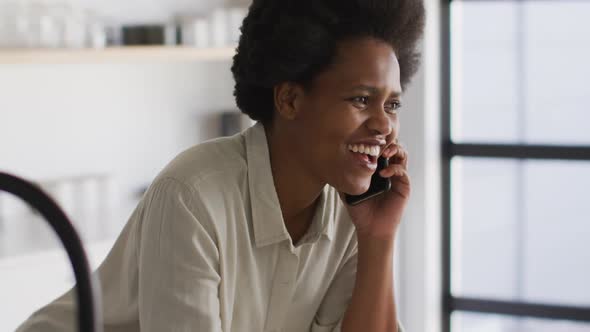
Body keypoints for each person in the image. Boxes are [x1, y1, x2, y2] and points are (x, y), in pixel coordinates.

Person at [16, 0, 424, 331]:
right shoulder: (193, 196)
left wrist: (378, 237)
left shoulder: (350, 211)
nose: (384, 125)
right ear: (290, 100)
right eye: (360, 100)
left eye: (392, 104)